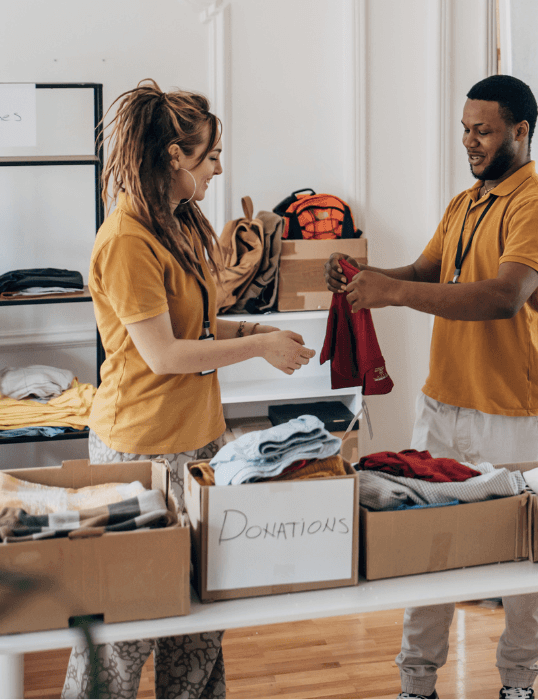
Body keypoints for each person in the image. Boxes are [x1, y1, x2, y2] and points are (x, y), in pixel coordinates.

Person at [66, 79, 315, 699]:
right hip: (139, 454)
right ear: (175, 157)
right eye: (211, 155)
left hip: (199, 446)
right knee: (125, 629)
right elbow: (165, 353)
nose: (219, 167)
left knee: (201, 625)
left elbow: (193, 324)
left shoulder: (175, 225)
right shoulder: (125, 239)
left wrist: (253, 326)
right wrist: (257, 347)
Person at [325, 74, 538, 700]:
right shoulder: (465, 204)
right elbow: (427, 271)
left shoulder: (536, 207)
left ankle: (518, 683)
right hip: (445, 407)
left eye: (482, 131)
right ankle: (417, 682)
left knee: (522, 559)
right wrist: (367, 275)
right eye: (464, 129)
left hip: (514, 413)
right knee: (428, 549)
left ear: (521, 132)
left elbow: (503, 297)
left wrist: (394, 292)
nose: (470, 141)